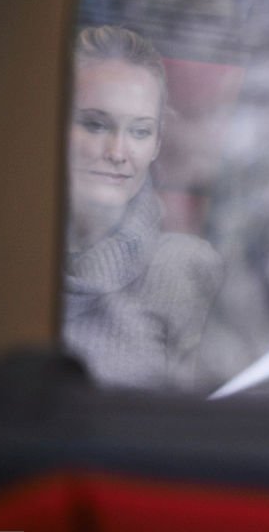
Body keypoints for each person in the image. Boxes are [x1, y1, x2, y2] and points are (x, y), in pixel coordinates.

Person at [62, 25, 224, 391]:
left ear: (157, 144)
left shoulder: (184, 269)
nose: (118, 153)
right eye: (95, 124)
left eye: (139, 131)